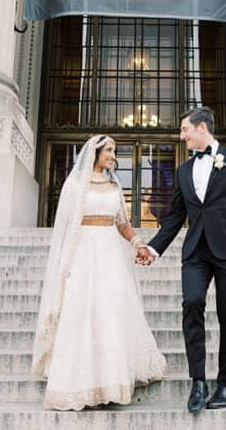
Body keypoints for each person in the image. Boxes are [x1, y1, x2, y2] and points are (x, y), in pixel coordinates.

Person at [138, 106, 226, 413]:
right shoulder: (183, 171)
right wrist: (153, 249)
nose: (181, 136)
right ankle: (198, 381)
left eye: (184, 130)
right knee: (192, 303)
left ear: (200, 128)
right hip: (196, 251)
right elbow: (174, 218)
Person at [32, 135, 167, 410]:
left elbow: (122, 223)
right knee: (83, 311)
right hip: (83, 255)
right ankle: (81, 381)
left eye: (114, 151)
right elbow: (65, 227)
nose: (113, 155)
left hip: (111, 255)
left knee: (112, 308)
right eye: (109, 150)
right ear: (94, 153)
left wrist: (138, 243)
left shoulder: (116, 185)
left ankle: (112, 378)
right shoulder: (74, 186)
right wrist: (65, 264)